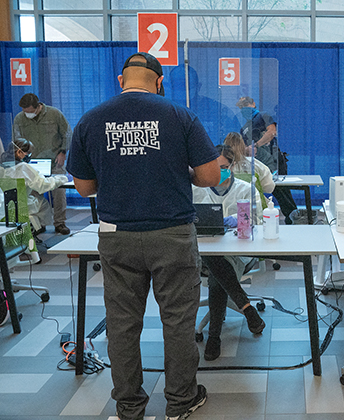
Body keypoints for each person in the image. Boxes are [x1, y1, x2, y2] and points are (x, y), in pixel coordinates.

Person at [67, 52, 221, 420]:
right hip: (172, 234)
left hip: (117, 236)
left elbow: (84, 187)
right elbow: (211, 176)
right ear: (160, 81)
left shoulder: (91, 120)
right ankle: (181, 401)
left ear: (120, 82)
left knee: (122, 325)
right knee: (179, 321)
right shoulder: (179, 115)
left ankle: (129, 407)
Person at [192, 145, 266, 361]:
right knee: (215, 262)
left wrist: (238, 221)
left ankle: (214, 336)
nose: (219, 172)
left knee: (217, 273)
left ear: (233, 166)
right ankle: (246, 307)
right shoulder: (197, 190)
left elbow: (259, 222)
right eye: (215, 168)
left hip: (237, 254)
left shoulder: (245, 189)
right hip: (202, 254)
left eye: (224, 167)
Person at [12, 93, 71, 235]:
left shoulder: (54, 114)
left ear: (38, 107)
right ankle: (39, 224)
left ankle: (60, 223)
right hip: (33, 162)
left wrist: (63, 152)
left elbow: (67, 133)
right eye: (25, 111)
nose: (27, 114)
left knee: (59, 192)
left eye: (30, 111)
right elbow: (16, 140)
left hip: (54, 160)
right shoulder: (19, 118)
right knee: (33, 194)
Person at [236, 96, 297, 223]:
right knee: (269, 189)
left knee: (281, 189)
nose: (244, 108)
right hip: (258, 163)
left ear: (254, 104)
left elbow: (272, 132)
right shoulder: (244, 128)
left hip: (274, 161)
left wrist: (256, 145)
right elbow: (244, 147)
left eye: (247, 104)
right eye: (242, 107)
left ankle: (293, 216)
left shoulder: (264, 116)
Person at [1, 138, 68, 235]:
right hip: (22, 206)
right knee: (42, 202)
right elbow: (43, 185)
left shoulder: (2, 166)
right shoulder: (23, 167)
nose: (29, 156)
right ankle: (38, 228)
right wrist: (61, 179)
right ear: (19, 152)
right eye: (28, 153)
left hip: (4, 206)